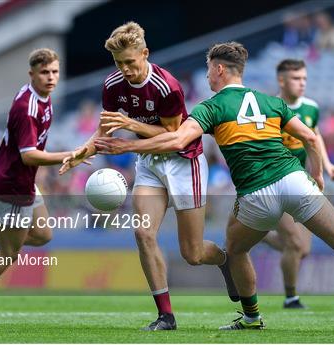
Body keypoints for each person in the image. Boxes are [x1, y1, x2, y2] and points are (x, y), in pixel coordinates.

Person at [94, 42, 334, 333]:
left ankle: (252, 317)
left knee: (236, 249)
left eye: (210, 70)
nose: (208, 76)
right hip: (295, 181)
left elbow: (179, 139)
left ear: (221, 70)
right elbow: (312, 137)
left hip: (257, 194)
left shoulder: (211, 107)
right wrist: (318, 175)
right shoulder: (270, 102)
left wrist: (127, 146)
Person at [59, 22, 235, 331]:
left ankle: (224, 259)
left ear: (145, 53)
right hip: (150, 164)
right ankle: (166, 316)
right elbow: (104, 131)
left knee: (192, 253)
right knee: (142, 233)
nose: (125, 69)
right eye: (119, 63)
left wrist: (131, 125)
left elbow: (172, 134)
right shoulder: (112, 85)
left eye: (130, 61)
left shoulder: (166, 86)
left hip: (183, 162)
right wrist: (79, 154)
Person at [0, 48, 91, 319]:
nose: (51, 78)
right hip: (12, 187)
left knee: (43, 235)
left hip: (23, 182)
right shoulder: (27, 108)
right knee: (8, 254)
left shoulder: (41, 96)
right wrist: (69, 155)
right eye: (44, 72)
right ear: (32, 74)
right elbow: (28, 156)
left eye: (55, 72)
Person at [260, 59, 334, 309]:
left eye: (304, 78)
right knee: (296, 244)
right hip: (275, 183)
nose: (302, 83)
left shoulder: (311, 107)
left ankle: (258, 234)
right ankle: (291, 297)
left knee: (301, 249)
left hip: (301, 182)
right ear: (282, 81)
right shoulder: (270, 108)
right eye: (296, 78)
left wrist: (326, 166)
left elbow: (314, 137)